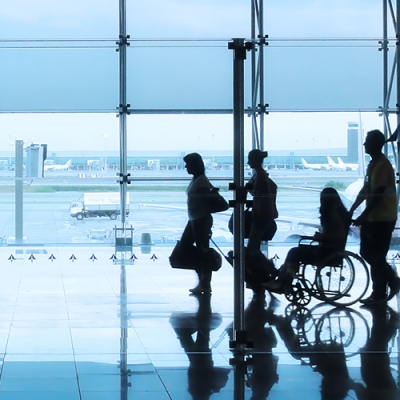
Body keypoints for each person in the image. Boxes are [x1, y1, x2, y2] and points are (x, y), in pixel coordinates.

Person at [264, 187, 351, 294]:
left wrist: (322, 236)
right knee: (295, 252)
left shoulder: (332, 214)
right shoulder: (338, 212)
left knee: (295, 252)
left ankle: (282, 282)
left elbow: (339, 235)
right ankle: (283, 282)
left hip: (327, 252)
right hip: (329, 250)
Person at [350, 129, 399, 305]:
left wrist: (363, 215)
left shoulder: (383, 166)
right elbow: (366, 190)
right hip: (374, 218)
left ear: (375, 144)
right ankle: (385, 286)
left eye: (367, 141)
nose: (364, 144)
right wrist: (353, 209)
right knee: (369, 253)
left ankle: (382, 290)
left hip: (383, 218)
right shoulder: (373, 165)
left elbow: (377, 195)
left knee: (376, 255)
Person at [180, 152, 214, 294]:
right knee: (196, 250)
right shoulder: (197, 179)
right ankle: (203, 281)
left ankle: (204, 281)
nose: (186, 167)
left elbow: (205, 201)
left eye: (188, 164)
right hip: (195, 219)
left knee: (200, 251)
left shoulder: (201, 182)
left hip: (200, 219)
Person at [246, 149, 278, 255]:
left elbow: (256, 192)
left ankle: (268, 269)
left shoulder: (259, 175)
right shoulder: (261, 174)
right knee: (254, 246)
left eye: (249, 159)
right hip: (263, 215)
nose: (248, 162)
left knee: (252, 247)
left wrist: (246, 189)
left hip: (261, 215)